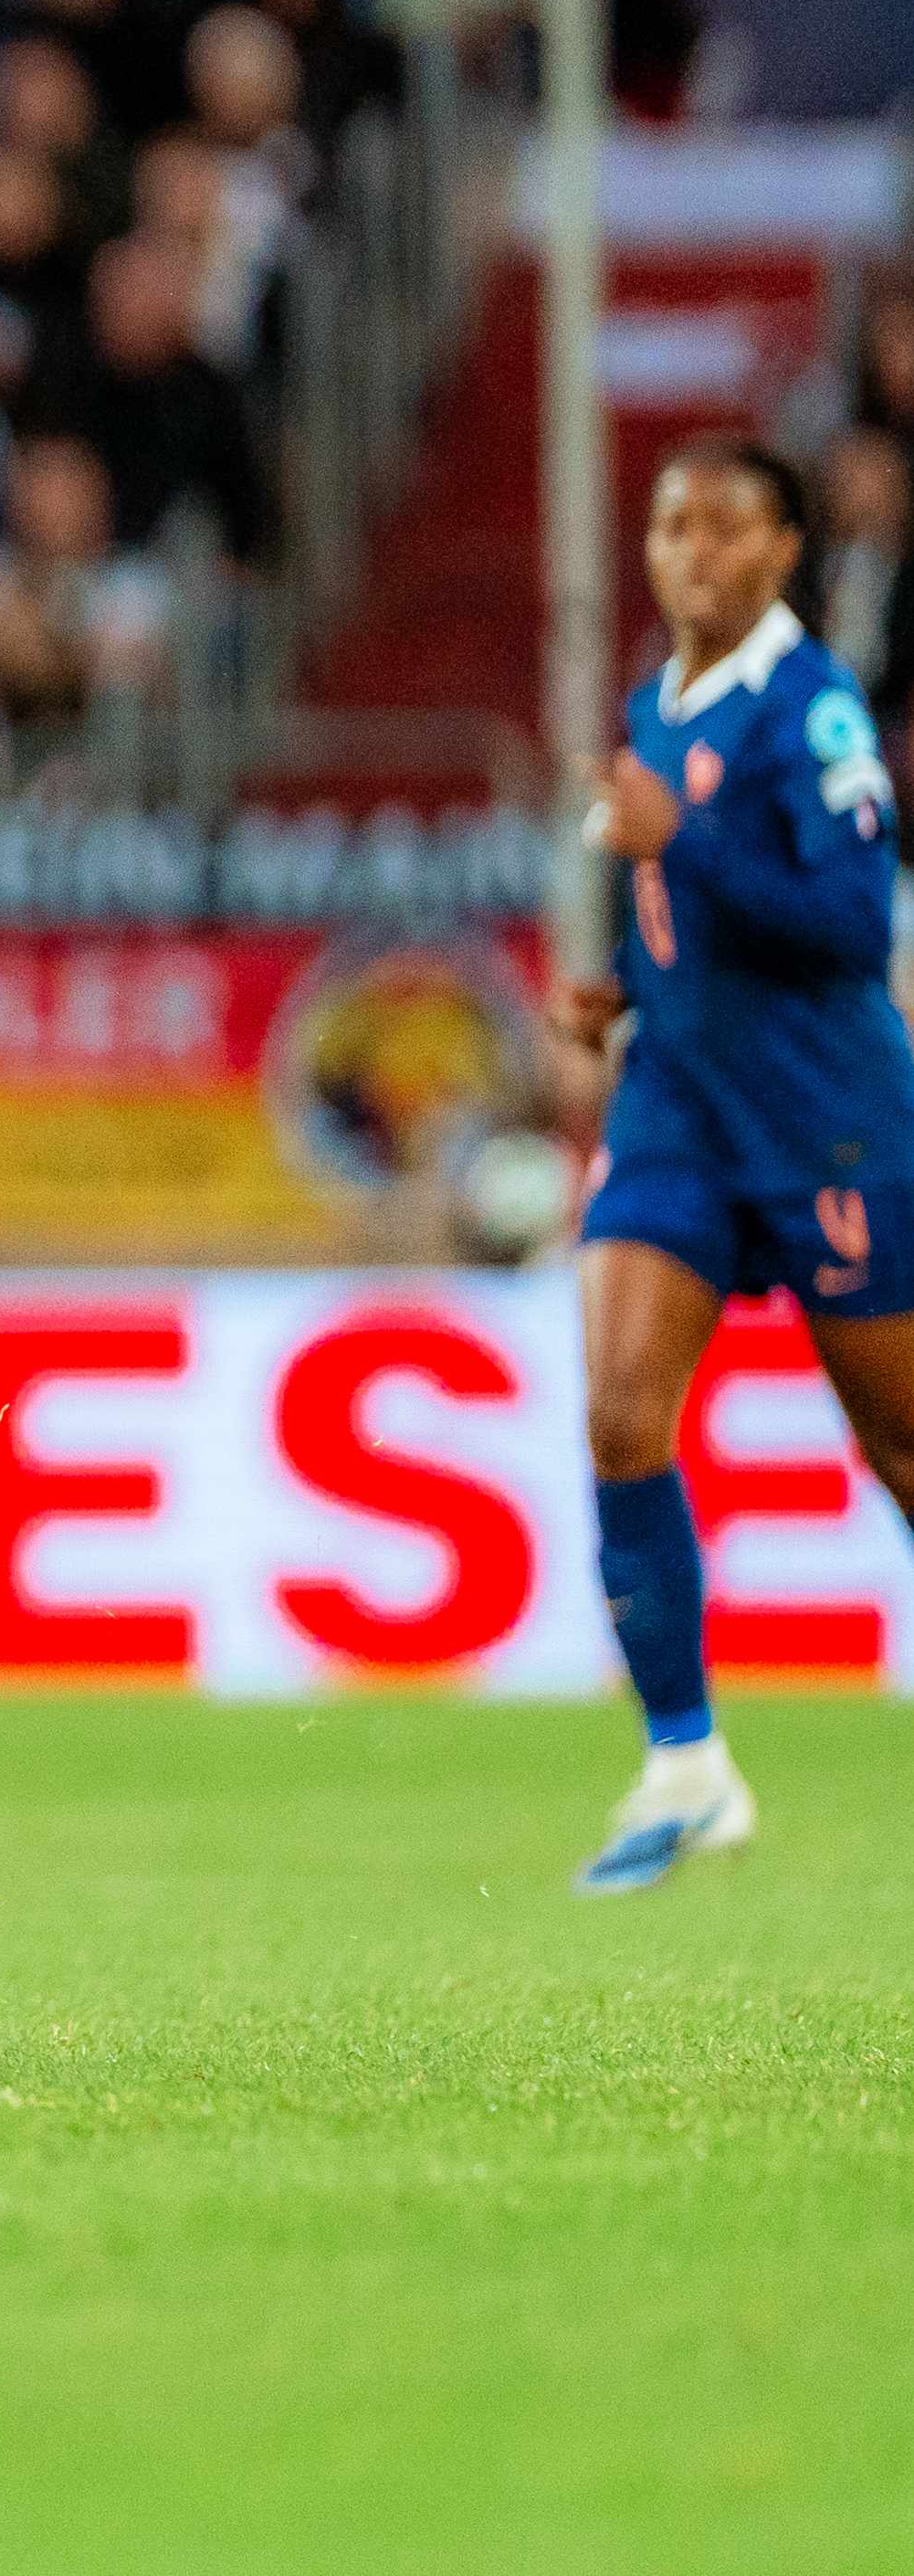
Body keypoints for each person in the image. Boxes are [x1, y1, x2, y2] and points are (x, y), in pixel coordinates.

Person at [555, 437, 914, 1893]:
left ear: (780, 551)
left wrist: (681, 840)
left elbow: (846, 922)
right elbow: (692, 912)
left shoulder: (812, 705)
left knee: (901, 1453)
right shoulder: (654, 702)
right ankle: (684, 1767)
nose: (685, 552)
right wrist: (629, 993)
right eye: (664, 526)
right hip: (680, 1116)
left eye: (720, 528)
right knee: (618, 1412)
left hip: (824, 1121)